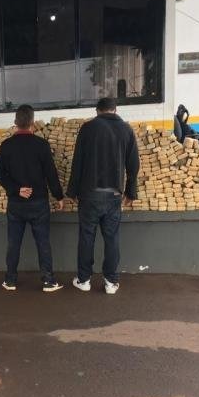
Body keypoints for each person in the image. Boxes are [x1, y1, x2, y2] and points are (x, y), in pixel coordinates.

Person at [66, 97, 139, 295]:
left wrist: (71, 193)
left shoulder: (88, 128)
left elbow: (78, 163)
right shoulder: (126, 129)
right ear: (115, 110)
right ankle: (111, 282)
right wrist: (131, 191)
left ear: (97, 111)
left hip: (89, 195)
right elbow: (133, 165)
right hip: (114, 196)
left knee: (86, 237)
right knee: (112, 239)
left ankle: (84, 280)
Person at [0, 104, 65, 293]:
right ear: (33, 123)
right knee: (43, 242)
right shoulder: (41, 145)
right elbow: (51, 174)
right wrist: (59, 196)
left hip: (16, 203)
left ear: (16, 122)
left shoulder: (6, 146)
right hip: (39, 203)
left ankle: (10, 280)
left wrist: (16, 189)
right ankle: (49, 281)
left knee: (13, 243)